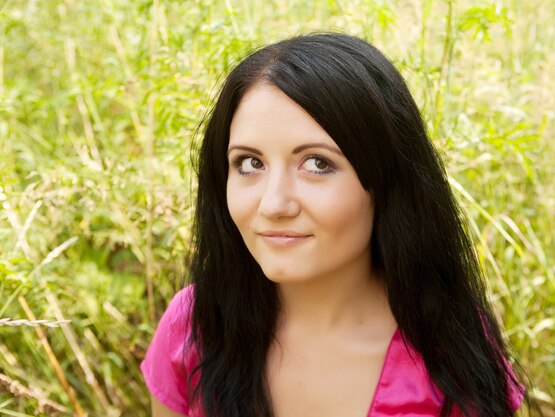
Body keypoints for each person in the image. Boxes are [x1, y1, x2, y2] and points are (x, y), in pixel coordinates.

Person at [141, 33, 526, 417]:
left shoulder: (449, 350)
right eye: (250, 163)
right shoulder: (193, 326)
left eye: (317, 164)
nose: (274, 204)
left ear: (384, 178)